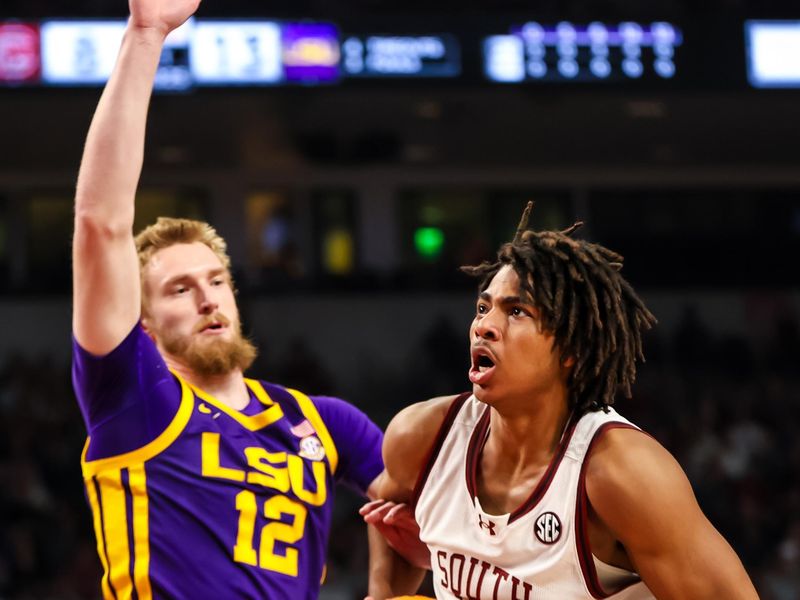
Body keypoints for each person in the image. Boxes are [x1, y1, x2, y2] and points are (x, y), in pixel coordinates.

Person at [71, 1, 384, 597]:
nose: (207, 299)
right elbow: (99, 222)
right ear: (140, 322)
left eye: (216, 281)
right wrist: (147, 33)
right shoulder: (135, 397)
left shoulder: (322, 422)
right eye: (179, 289)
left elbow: (434, 514)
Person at [364, 202, 759, 599]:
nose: (484, 326)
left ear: (571, 348)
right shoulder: (424, 436)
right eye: (483, 308)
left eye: (516, 311)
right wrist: (383, 590)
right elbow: (384, 504)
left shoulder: (621, 474)